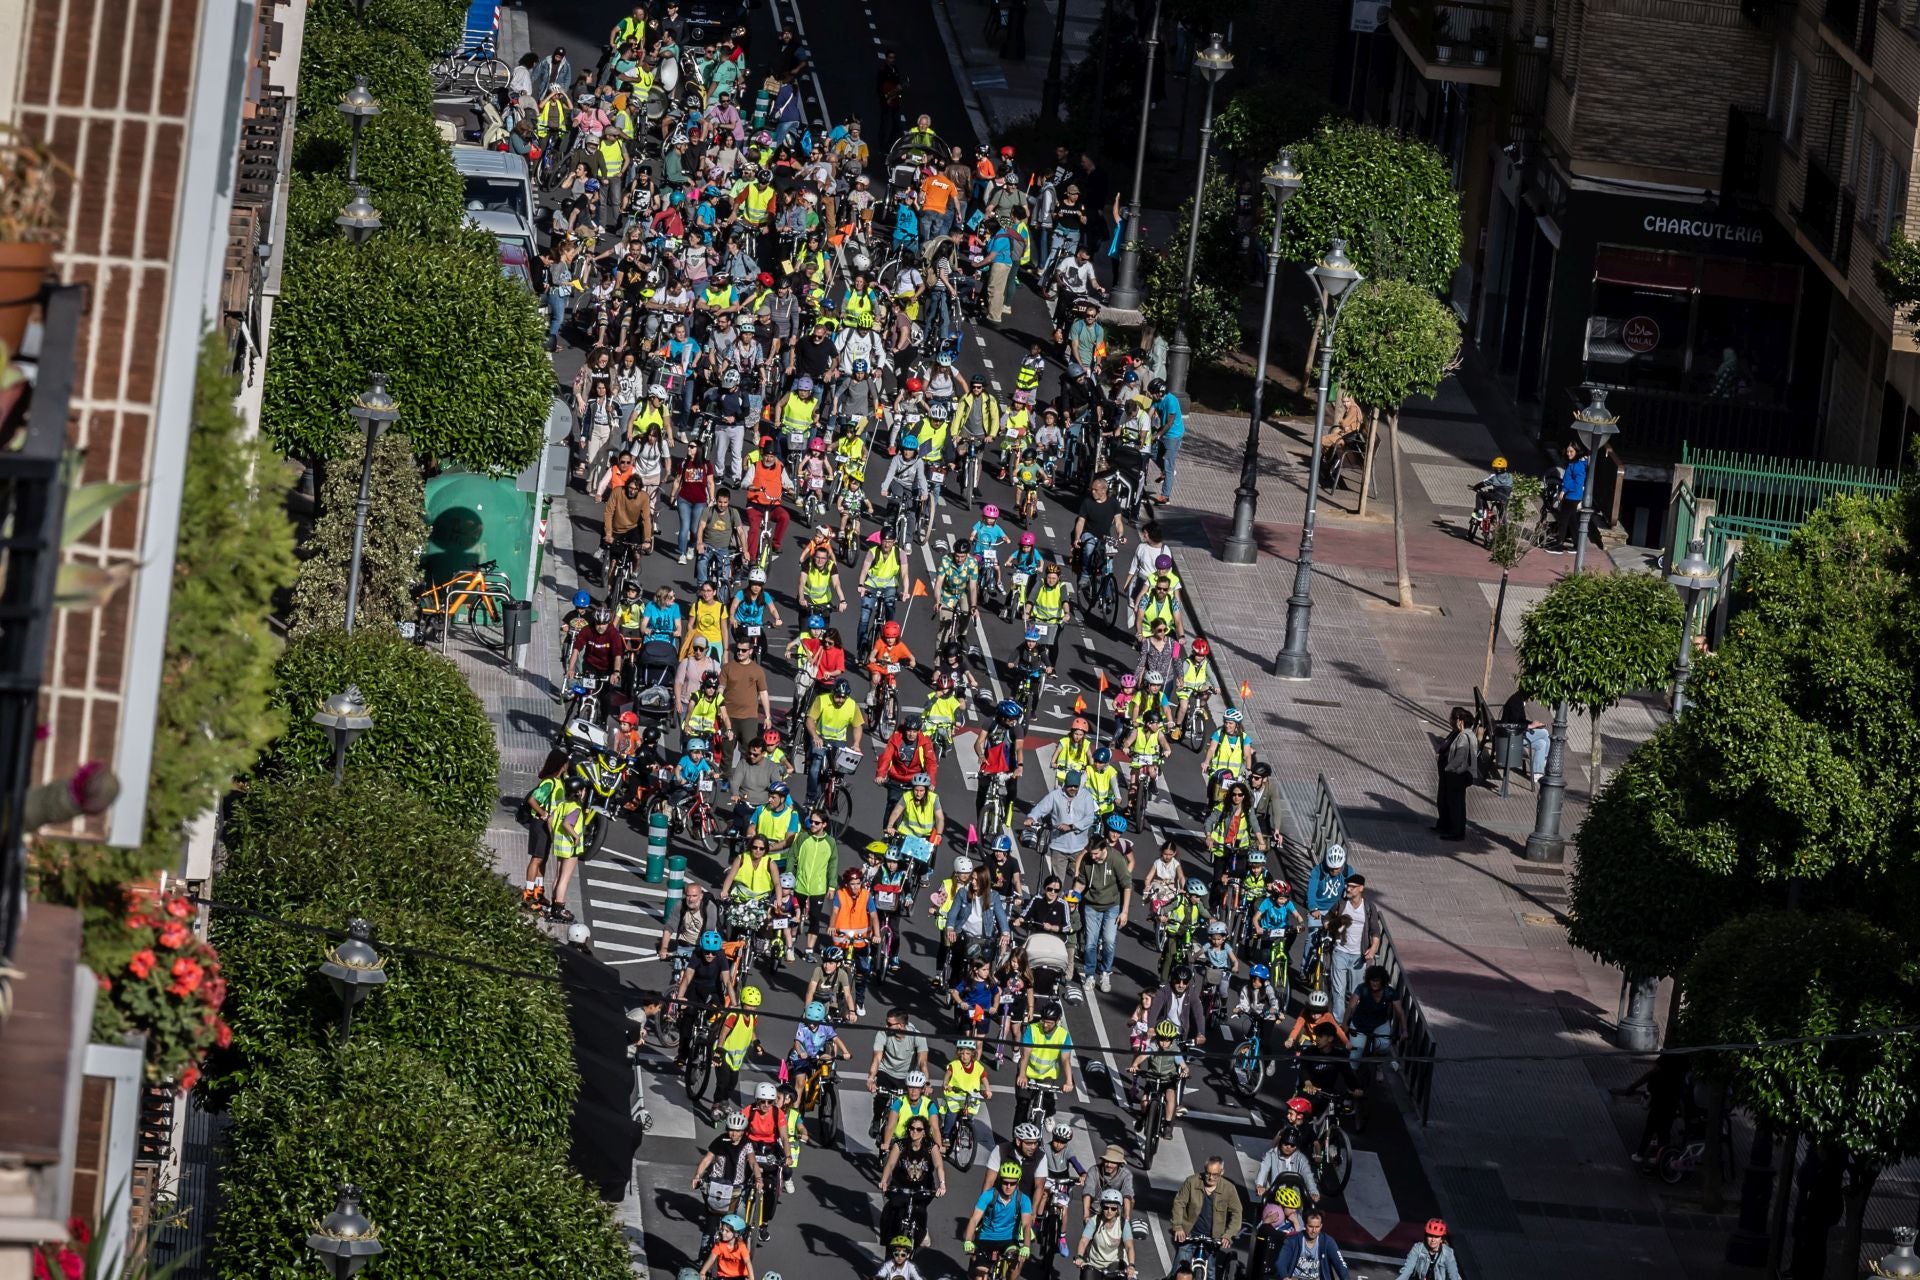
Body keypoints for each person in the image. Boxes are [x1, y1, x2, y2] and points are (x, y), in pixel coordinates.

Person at [1072, 835, 1130, 992]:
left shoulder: (1117, 859)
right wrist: (1072, 899)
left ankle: (1105, 972)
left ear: (1104, 849)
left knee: (1109, 941)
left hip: (1112, 906)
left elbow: (1127, 885)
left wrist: (1124, 911)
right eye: (1091, 853)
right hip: (1091, 906)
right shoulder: (1088, 860)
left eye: (1096, 853)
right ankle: (1090, 975)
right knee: (1090, 942)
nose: (1093, 856)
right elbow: (1081, 883)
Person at [877, 1113, 947, 1243]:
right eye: (912, 1128)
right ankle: (887, 1239)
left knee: (919, 1212)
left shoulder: (931, 1147)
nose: (915, 1132)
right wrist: (884, 1180)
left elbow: (938, 1166)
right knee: (892, 1212)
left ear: (924, 1132)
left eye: (919, 1129)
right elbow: (890, 1164)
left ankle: (921, 1232)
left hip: (922, 1189)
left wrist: (942, 1183)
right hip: (901, 1186)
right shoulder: (900, 1145)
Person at [1324, 875, 1382, 1019]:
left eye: (1352, 887)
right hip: (1340, 952)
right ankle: (1339, 1023)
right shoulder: (1341, 904)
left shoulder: (1368, 907)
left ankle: (1351, 1021)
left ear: (1361, 888)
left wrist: (1373, 948)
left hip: (1358, 956)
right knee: (1338, 990)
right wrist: (1332, 925)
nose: (1348, 889)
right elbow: (1326, 919)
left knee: (1355, 992)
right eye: (1347, 886)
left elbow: (1375, 930)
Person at [1170, 1157, 1243, 1268]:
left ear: (1222, 1172)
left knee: (1210, 1272)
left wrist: (1228, 1235)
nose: (1210, 1177)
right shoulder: (1192, 1182)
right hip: (1189, 1235)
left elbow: (1237, 1212)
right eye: (1207, 1173)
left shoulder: (1229, 1188)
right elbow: (1179, 1203)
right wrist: (1178, 1227)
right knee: (1180, 1269)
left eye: (1215, 1174)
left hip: (1213, 1239)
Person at [963, 1162, 1035, 1273]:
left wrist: (1026, 1246)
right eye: (1005, 1182)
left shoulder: (1024, 1200)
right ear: (1000, 1180)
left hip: (1009, 1240)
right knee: (981, 1271)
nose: (1008, 1186)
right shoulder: (988, 1195)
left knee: (1016, 1263)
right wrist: (968, 1240)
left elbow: (1026, 1225)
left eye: (1013, 1183)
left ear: (1018, 1182)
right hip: (986, 1238)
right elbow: (974, 1219)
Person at [1014, 1001, 1075, 1125]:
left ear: (1057, 1021)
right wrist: (1022, 1075)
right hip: (1028, 1072)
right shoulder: (1032, 1029)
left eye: (1049, 1023)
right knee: (1022, 1105)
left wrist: (1069, 1081)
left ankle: (1049, 1114)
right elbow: (1025, 1055)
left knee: (1047, 1100)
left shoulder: (1063, 1036)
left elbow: (1065, 1060)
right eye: (1044, 1021)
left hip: (1047, 1074)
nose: (1045, 1025)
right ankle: (1016, 1139)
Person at [1347, 963, 1407, 1070]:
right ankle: (1352, 1085)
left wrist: (1404, 1030)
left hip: (1380, 1023)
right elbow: (1351, 1006)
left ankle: (1379, 1065)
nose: (1374, 983)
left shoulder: (1389, 992)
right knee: (1354, 1060)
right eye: (1372, 980)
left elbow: (1400, 1012)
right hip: (1359, 1024)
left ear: (1383, 981)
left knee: (1383, 1047)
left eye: (1377, 980)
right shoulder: (1362, 988)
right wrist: (1344, 1024)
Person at [1073, 1188, 1138, 1278]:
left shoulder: (1123, 1224)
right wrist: (1079, 1256)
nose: (1109, 1211)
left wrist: (1131, 1265)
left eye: (1113, 1208)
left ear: (1118, 1209)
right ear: (1101, 1207)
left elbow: (1129, 1246)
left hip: (1115, 1264)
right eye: (1106, 1207)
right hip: (1094, 1264)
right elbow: (1084, 1241)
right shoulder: (1094, 1221)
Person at [1254, 1124, 1319, 1206]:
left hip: (1295, 1201)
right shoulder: (1271, 1154)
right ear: (1281, 1142)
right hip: (1274, 1199)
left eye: (1292, 1145)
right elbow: (1263, 1169)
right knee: (1271, 1217)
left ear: (1296, 1146)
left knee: (1311, 1216)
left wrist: (1313, 1192)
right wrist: (1259, 1185)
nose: (1288, 1147)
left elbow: (1308, 1175)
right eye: (1286, 1143)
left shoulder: (1301, 1159)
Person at [1276, 1209, 1351, 1280]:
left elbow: (1341, 1265)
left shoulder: (1328, 1242)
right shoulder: (1292, 1241)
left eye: (1317, 1227)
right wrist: (1284, 1277)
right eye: (1311, 1226)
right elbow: (1281, 1262)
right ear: (1305, 1225)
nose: (1314, 1231)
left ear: (1321, 1226)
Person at [1435, 706, 1475, 839]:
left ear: (1460, 720)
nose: (1451, 721)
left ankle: (1456, 832)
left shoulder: (1464, 736)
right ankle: (1446, 826)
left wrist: (1448, 768)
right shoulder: (1457, 733)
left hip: (1457, 775)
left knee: (1456, 804)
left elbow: (1459, 758)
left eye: (1453, 719)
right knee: (1448, 801)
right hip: (1453, 775)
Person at [1499, 689, 1551, 785]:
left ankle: (1537, 773)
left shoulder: (1517, 699)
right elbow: (1515, 723)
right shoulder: (1516, 702)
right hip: (1512, 736)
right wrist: (1530, 726)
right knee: (1544, 733)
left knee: (1542, 744)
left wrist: (1532, 723)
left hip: (1514, 734)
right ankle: (1545, 760)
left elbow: (1519, 720)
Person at [1396, 1220, 1462, 1280]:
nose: (1433, 1240)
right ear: (1426, 1236)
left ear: (1442, 1239)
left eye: (1436, 1236)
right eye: (1430, 1236)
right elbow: (1406, 1271)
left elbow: (1454, 1275)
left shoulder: (1448, 1253)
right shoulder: (1417, 1248)